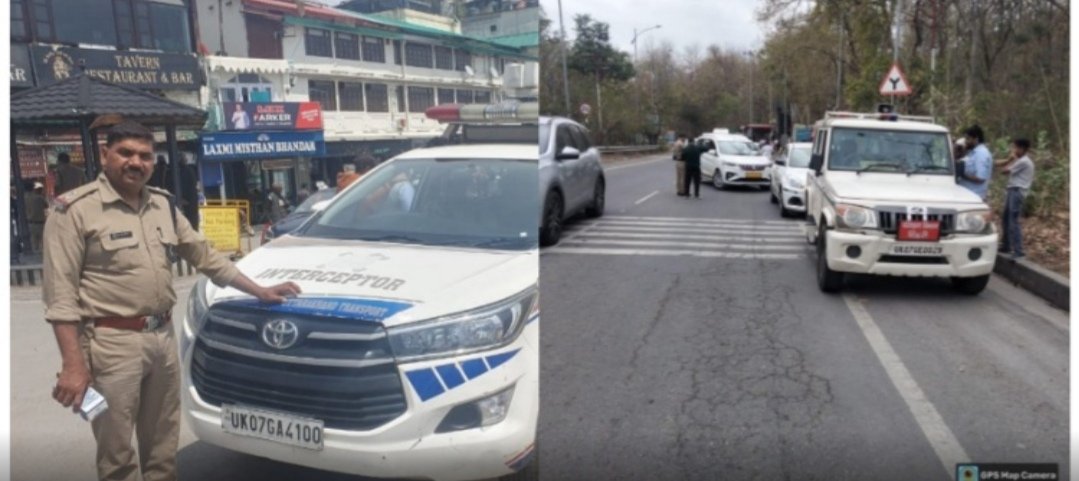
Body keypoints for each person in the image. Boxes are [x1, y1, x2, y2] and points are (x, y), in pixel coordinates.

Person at [43, 119, 301, 481]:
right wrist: (73, 365)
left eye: (145, 156)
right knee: (117, 453)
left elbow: (203, 254)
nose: (136, 162)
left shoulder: (161, 204)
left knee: (164, 445)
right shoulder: (74, 210)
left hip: (162, 338)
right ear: (104, 155)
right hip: (111, 344)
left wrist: (259, 290)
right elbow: (61, 297)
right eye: (126, 153)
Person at [996, 138, 1035, 258]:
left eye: (1015, 148)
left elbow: (1005, 171)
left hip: (1017, 192)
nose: (1013, 150)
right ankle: (1006, 245)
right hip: (1013, 190)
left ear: (1022, 149)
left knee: (1013, 220)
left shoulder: (1023, 161)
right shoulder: (1022, 161)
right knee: (1006, 218)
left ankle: (1018, 250)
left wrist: (1010, 159)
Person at [958, 125, 992, 200]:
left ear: (976, 139)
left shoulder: (981, 153)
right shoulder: (973, 152)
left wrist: (963, 175)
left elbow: (980, 178)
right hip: (967, 195)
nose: (966, 141)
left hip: (975, 196)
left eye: (968, 139)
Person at [26, 181, 48, 253]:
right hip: (40, 223)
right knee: (43, 243)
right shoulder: (39, 198)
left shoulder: (24, 198)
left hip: (30, 223)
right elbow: (46, 205)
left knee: (33, 244)